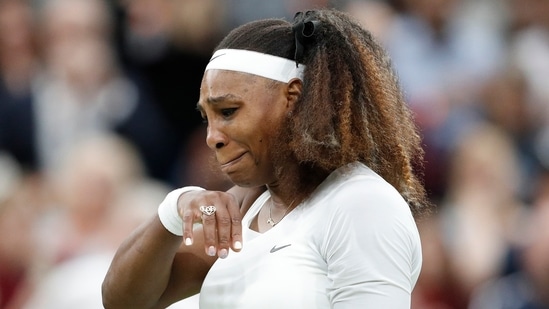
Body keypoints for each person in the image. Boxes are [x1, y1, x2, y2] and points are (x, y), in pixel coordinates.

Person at [102, 8, 431, 308]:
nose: (211, 137)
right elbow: (125, 302)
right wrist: (179, 208)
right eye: (207, 118)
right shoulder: (248, 204)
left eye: (228, 112)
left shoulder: (362, 203)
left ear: (293, 98)